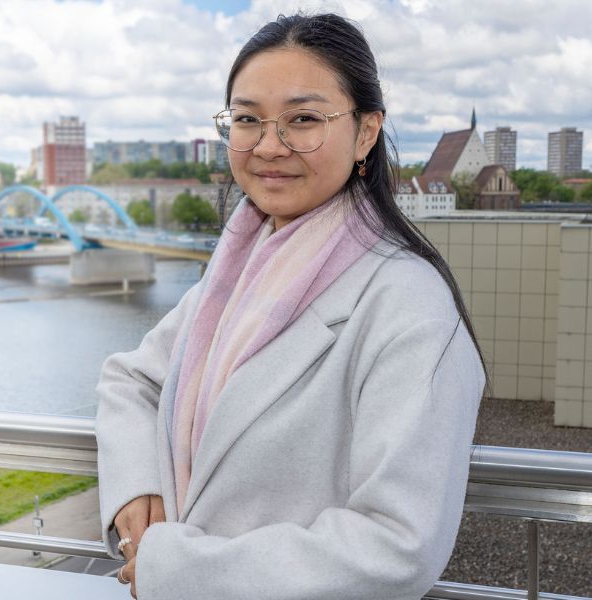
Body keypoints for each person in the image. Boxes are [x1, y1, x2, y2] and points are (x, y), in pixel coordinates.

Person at [95, 12, 486, 600]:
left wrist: (178, 567)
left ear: (366, 132)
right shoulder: (242, 274)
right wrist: (135, 490)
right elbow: (132, 379)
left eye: (303, 119)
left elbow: (398, 545)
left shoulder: (408, 304)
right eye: (248, 120)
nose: (269, 146)